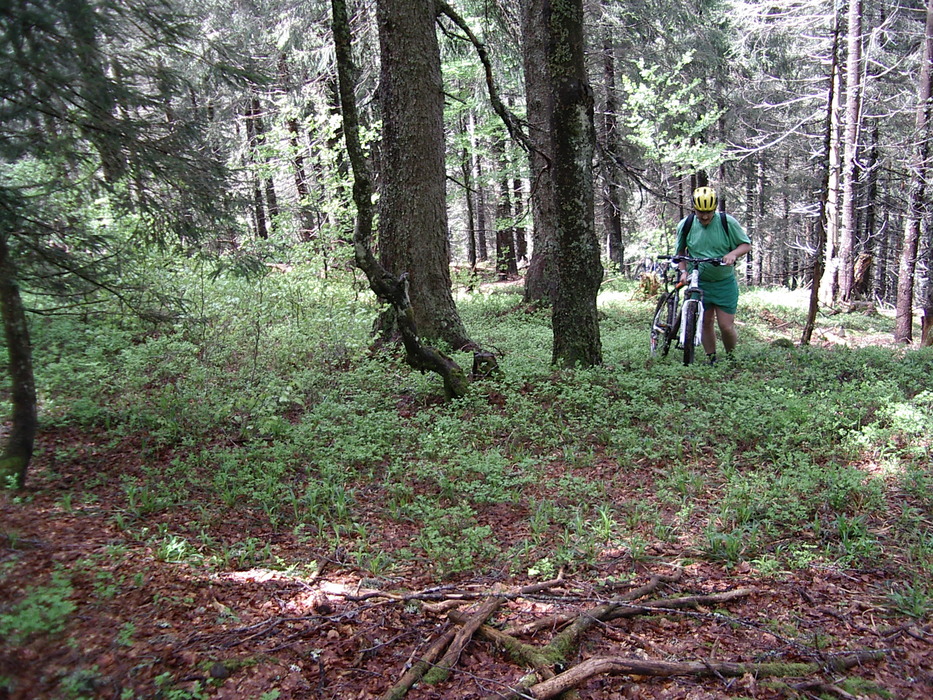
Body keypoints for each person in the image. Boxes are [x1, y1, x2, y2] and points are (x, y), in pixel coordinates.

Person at [674, 186, 752, 364]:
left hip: (723, 282)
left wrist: (733, 254)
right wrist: (683, 271)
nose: (705, 216)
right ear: (694, 208)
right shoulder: (686, 225)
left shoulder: (727, 222)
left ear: (715, 208)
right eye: (700, 212)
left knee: (725, 326)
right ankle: (711, 358)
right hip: (699, 282)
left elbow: (745, 245)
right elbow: (680, 253)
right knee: (706, 321)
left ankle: (731, 356)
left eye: (709, 212)